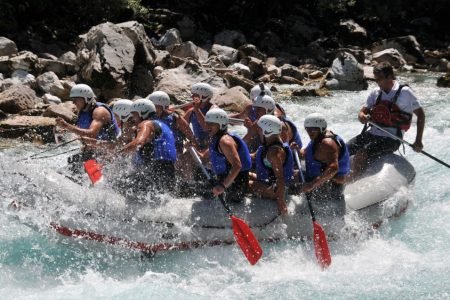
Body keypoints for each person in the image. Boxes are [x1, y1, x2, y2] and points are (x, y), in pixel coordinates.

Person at [347, 61, 425, 179]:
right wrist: (362, 116)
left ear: (390, 77)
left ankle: (350, 181)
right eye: (376, 79)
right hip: (372, 133)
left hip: (392, 138)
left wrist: (418, 141)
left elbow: (421, 115)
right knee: (344, 149)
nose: (378, 82)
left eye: (380, 79)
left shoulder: (405, 93)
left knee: (362, 153)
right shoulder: (375, 93)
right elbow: (362, 112)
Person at [56, 84, 120, 171]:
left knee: (82, 164)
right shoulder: (83, 112)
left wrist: (67, 126)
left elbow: (91, 133)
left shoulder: (100, 111)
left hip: (110, 151)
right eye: (73, 99)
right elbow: (81, 131)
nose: (73, 102)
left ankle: (96, 181)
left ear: (87, 98)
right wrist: (66, 130)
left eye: (76, 99)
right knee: (73, 160)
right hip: (96, 149)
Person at [120, 99, 177, 194]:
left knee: (117, 184)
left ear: (143, 112)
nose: (133, 117)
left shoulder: (146, 124)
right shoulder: (160, 123)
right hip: (168, 176)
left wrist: (118, 155)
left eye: (134, 114)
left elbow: (138, 143)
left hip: (155, 175)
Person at [299, 113, 350, 217]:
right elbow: (307, 154)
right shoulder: (318, 137)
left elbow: (334, 168)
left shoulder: (327, 144)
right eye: (307, 129)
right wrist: (297, 150)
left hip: (331, 184)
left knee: (295, 188)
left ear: (321, 128)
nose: (309, 132)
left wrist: (311, 185)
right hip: (317, 177)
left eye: (313, 129)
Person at [201, 108, 252, 201]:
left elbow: (237, 165)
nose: (206, 126)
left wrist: (222, 186)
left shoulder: (225, 141)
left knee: (201, 192)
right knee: (197, 186)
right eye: (206, 123)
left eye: (211, 124)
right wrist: (190, 148)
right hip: (224, 177)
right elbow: (203, 157)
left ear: (221, 125)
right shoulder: (216, 138)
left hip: (236, 185)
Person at [249, 115, 294, 215]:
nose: (258, 132)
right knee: (246, 174)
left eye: (259, 129)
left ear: (266, 131)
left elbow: (280, 179)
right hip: (269, 181)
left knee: (245, 183)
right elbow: (253, 157)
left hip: (277, 190)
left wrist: (281, 202)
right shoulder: (269, 144)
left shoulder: (274, 153)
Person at [183, 82, 216, 150]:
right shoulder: (191, 111)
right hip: (198, 145)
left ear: (203, 97)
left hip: (212, 146)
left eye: (195, 95)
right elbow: (180, 126)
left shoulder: (213, 109)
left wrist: (196, 109)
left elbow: (206, 127)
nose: (192, 97)